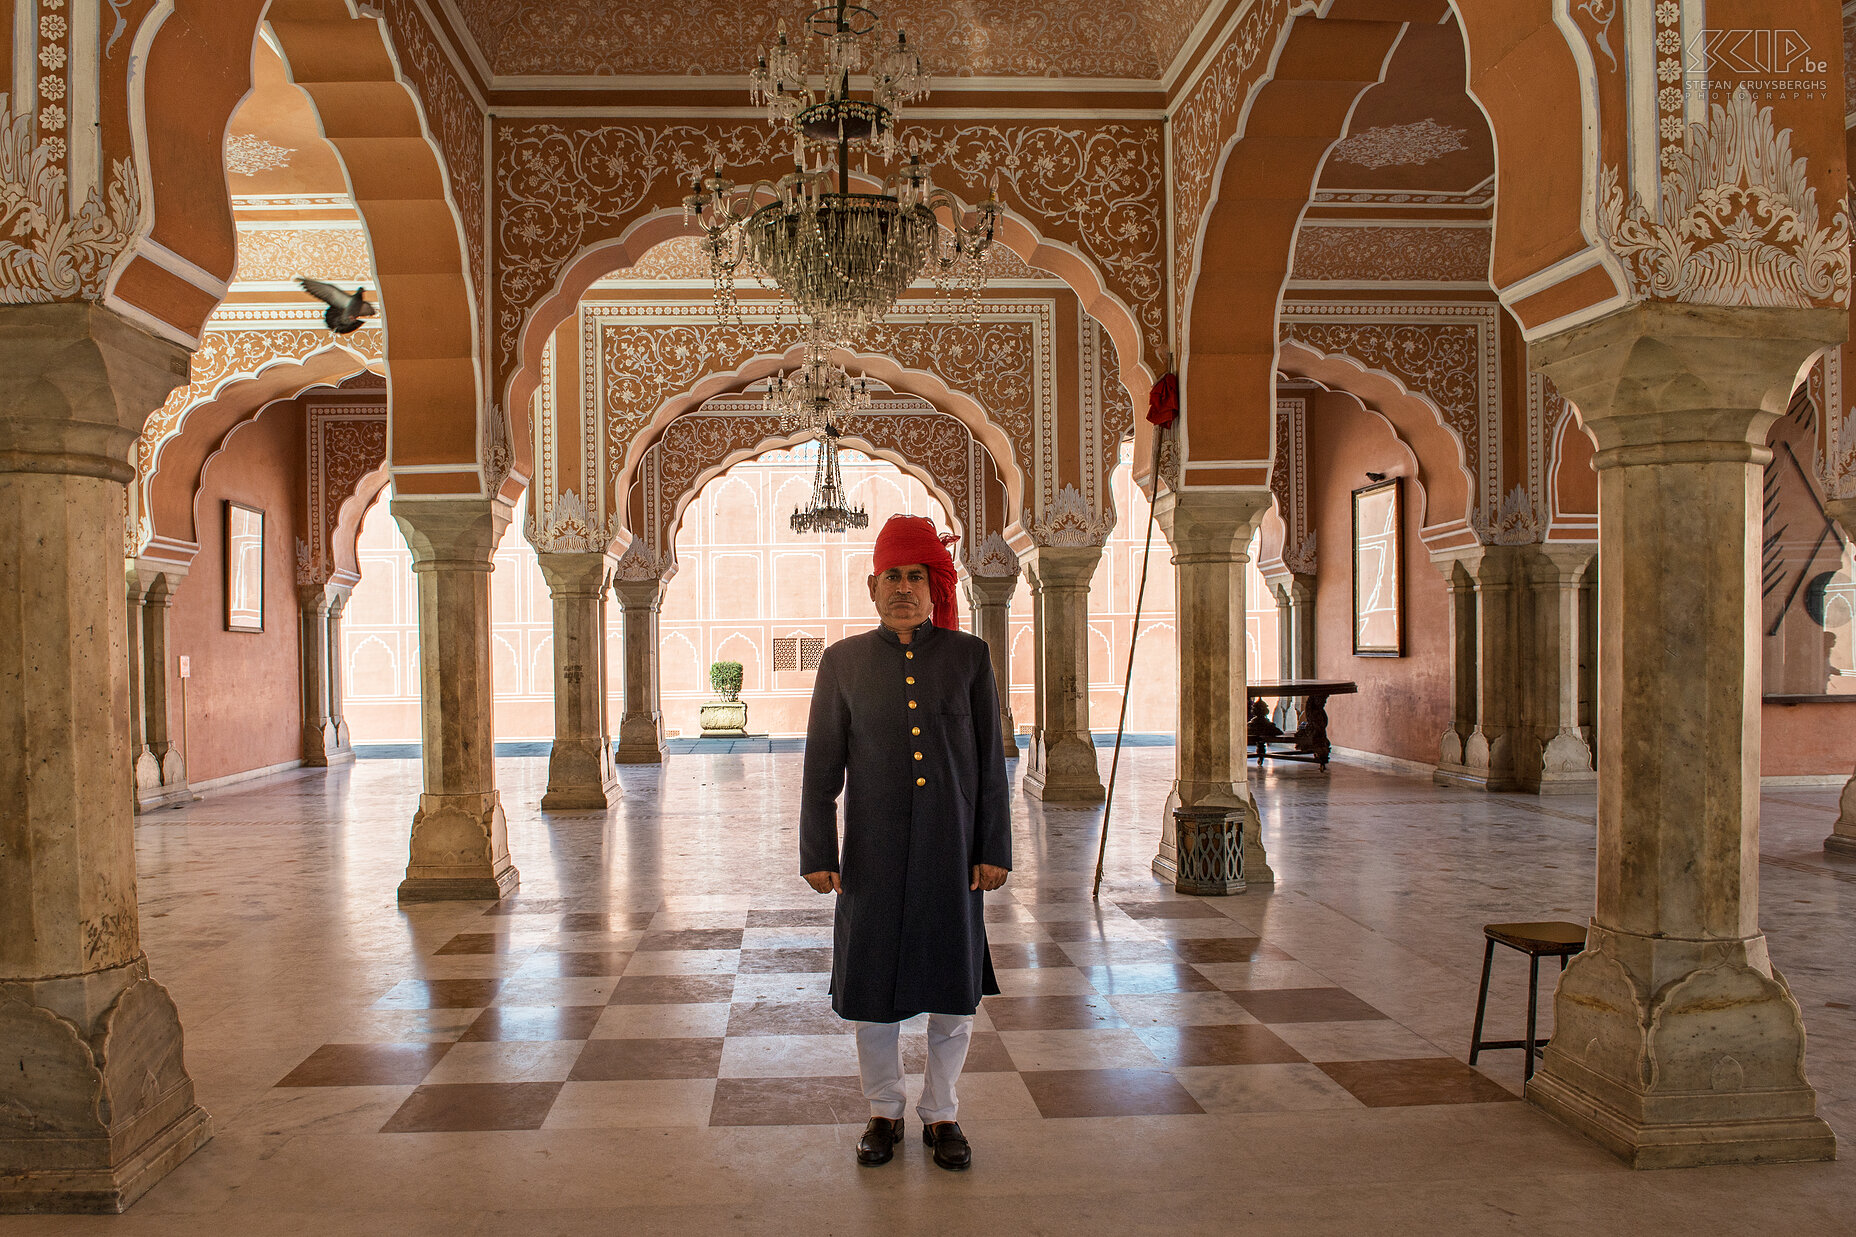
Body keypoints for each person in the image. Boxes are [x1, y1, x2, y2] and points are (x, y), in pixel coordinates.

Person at [799, 514, 1012, 1172]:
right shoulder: (843, 663)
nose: (903, 587)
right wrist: (818, 852)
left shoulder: (969, 658)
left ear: (931, 584)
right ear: (872, 586)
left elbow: (989, 764)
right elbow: (820, 767)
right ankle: (883, 1109)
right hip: (875, 854)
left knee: (952, 992)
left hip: (953, 855)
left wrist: (992, 847)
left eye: (915, 575)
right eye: (891, 575)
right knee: (874, 989)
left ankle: (941, 1111)